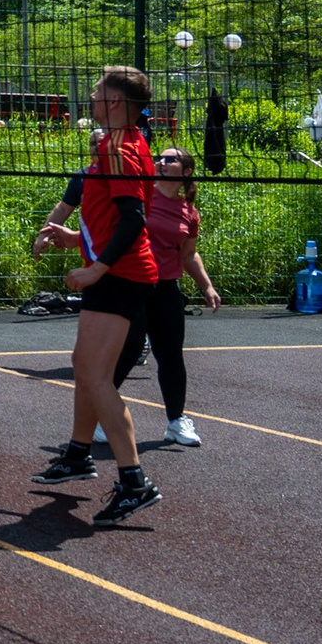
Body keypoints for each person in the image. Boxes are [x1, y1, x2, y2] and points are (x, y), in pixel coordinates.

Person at [31, 68, 164, 524]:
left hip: (122, 275)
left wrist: (95, 270)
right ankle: (77, 453)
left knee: (95, 375)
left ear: (115, 102)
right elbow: (111, 216)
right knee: (86, 369)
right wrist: (74, 240)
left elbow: (133, 222)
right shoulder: (118, 142)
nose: (91, 95)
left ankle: (134, 482)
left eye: (99, 90)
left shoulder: (118, 146)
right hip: (114, 270)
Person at [119, 144, 220, 449]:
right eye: (159, 158)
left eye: (170, 159)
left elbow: (189, 256)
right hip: (132, 284)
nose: (161, 162)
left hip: (166, 290)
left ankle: (176, 422)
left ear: (186, 171)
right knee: (129, 350)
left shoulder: (189, 212)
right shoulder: (139, 195)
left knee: (171, 357)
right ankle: (100, 414)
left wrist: (207, 286)